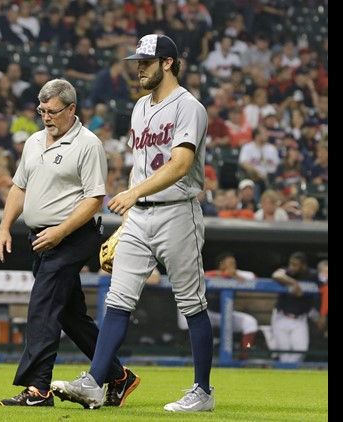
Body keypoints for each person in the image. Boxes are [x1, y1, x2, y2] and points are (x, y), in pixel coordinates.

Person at [50, 34, 214, 412]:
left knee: (191, 302)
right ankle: (94, 382)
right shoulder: (140, 106)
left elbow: (180, 164)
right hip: (139, 216)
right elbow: (143, 164)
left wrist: (134, 193)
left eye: (146, 62)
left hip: (177, 211)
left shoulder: (189, 107)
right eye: (137, 61)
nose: (138, 68)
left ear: (168, 63)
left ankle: (202, 391)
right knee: (117, 299)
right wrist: (132, 211)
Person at [0, 78, 136, 407]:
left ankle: (38, 388)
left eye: (53, 111)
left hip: (72, 236)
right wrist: (4, 228)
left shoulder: (87, 144)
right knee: (70, 315)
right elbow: (19, 188)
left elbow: (94, 199)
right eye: (42, 110)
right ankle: (117, 375)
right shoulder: (33, 141)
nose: (46, 117)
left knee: (42, 306)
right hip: (41, 237)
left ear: (71, 109)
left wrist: (60, 232)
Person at [177, 252, 261, 360]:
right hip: (208, 313)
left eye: (234, 263)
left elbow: (255, 277)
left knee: (250, 322)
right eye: (230, 263)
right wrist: (225, 275)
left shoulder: (236, 274)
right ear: (221, 265)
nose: (233, 265)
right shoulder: (212, 274)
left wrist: (235, 275)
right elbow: (205, 275)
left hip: (226, 314)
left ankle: (243, 356)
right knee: (191, 316)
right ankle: (189, 352)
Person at [270, 251, 321, 363]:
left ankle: (288, 371)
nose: (291, 267)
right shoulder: (287, 272)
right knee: (284, 352)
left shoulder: (313, 275)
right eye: (290, 264)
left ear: (303, 265)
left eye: (295, 265)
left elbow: (323, 284)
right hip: (282, 317)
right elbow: (276, 275)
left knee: (301, 350)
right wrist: (294, 283)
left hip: (300, 319)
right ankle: (285, 376)